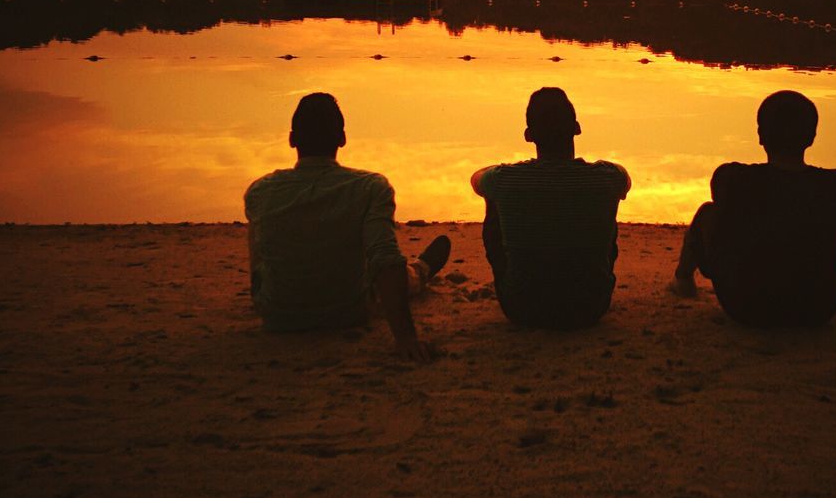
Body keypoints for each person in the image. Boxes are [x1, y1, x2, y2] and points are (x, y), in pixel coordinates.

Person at [244, 92, 449, 362]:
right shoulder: (369, 188)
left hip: (277, 314)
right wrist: (406, 338)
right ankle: (419, 272)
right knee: (394, 273)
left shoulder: (260, 191)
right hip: (347, 311)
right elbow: (384, 259)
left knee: (260, 230)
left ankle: (282, 289)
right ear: (342, 139)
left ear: (292, 139)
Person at [671, 90, 836, 327]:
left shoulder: (732, 178)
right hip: (819, 308)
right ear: (811, 137)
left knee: (708, 213)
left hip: (746, 306)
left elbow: (724, 224)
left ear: (761, 135)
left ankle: (683, 280)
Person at [471, 87, 631, 329]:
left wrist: (504, 172)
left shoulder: (506, 179)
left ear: (528, 135)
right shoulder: (606, 177)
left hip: (522, 308)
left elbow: (477, 179)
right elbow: (625, 181)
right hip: (589, 307)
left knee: (493, 198)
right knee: (605, 202)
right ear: (577, 128)